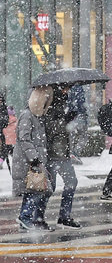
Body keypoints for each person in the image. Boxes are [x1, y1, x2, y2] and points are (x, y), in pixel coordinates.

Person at [12, 86, 54, 231]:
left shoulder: (38, 116)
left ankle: (28, 219)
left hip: (35, 159)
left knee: (34, 189)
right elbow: (24, 139)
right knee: (37, 189)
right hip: (28, 160)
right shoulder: (27, 115)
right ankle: (25, 217)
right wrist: (34, 157)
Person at [43, 85, 82, 229]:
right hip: (53, 155)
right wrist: (65, 121)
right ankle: (36, 217)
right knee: (49, 188)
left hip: (63, 154)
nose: (67, 91)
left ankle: (64, 216)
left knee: (71, 182)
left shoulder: (64, 105)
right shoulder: (51, 107)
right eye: (65, 89)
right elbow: (50, 128)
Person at [67, 85, 88, 165]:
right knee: (83, 136)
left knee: (71, 135)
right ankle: (75, 153)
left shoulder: (69, 88)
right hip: (80, 115)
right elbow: (81, 102)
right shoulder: (79, 88)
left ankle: (71, 152)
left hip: (71, 115)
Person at [0, 93, 10, 169]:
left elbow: (5, 122)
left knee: (4, 149)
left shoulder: (3, 108)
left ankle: (0, 161)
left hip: (1, 132)